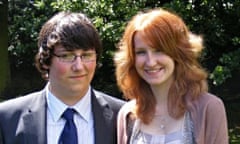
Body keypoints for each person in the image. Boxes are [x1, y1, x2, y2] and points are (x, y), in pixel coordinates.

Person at [0, 11, 124, 144]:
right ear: (46, 60)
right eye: (67, 56)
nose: (79, 66)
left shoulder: (123, 117)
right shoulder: (6, 119)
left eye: (86, 55)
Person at [114, 8, 228, 144]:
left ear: (178, 53)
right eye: (141, 52)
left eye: (159, 50)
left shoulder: (209, 108)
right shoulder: (127, 115)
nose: (150, 62)